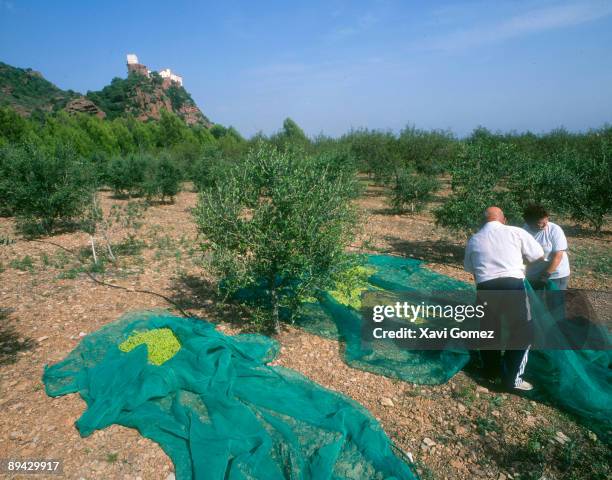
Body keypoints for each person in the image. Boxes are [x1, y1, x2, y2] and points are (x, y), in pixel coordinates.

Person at [464, 206, 544, 391]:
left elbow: (472, 269)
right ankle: (511, 379)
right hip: (511, 285)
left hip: (485, 287)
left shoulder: (474, 239)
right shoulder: (515, 232)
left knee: (489, 330)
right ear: (504, 219)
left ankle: (490, 371)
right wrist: (520, 265)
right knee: (522, 331)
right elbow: (539, 255)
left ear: (483, 221)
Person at [522, 204, 570, 290]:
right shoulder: (524, 230)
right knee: (535, 302)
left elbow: (558, 256)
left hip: (554, 274)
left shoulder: (554, 230)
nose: (545, 225)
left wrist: (545, 276)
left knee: (555, 302)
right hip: (534, 274)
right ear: (530, 223)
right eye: (540, 223)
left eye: (546, 220)